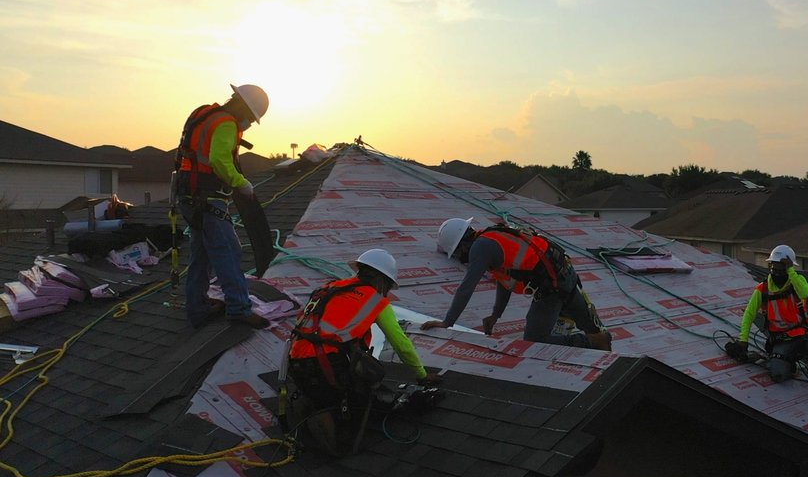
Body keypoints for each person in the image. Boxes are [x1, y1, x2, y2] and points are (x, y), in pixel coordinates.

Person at [287, 249, 441, 455]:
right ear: (382, 280)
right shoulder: (374, 299)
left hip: (294, 359)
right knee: (368, 375)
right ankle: (331, 432)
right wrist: (421, 375)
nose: (387, 291)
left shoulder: (332, 287)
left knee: (336, 379)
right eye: (388, 286)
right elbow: (401, 343)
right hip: (323, 364)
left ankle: (315, 405)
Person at [421, 218, 612, 351]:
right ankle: (601, 345)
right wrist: (496, 315)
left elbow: (466, 287)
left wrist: (447, 322)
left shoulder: (480, 247)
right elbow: (505, 281)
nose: (461, 258)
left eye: (457, 253)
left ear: (461, 244)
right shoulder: (492, 237)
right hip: (564, 273)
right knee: (591, 326)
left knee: (534, 340)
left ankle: (590, 342)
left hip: (552, 287)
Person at [174, 83, 270, 329]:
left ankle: (198, 309)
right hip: (207, 198)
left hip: (189, 196)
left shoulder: (204, 114)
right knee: (228, 251)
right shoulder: (226, 123)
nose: (248, 123)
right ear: (243, 107)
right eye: (250, 118)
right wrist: (241, 183)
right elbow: (219, 160)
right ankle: (239, 308)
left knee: (202, 255)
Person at [729, 244, 808, 408]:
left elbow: (805, 293)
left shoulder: (797, 283)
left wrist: (790, 270)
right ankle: (789, 363)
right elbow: (749, 314)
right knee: (778, 375)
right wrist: (743, 339)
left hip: (801, 336)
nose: (777, 272)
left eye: (781, 268)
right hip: (781, 341)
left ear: (788, 267)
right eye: (774, 267)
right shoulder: (763, 290)